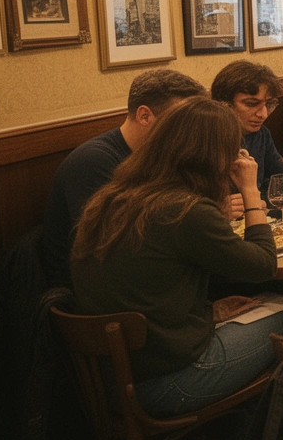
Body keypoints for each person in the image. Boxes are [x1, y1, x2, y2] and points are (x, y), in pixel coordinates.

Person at [70, 97, 283, 440]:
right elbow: (262, 264)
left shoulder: (111, 197)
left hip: (113, 380)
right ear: (212, 155)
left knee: (259, 333)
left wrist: (210, 312)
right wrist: (250, 190)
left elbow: (148, 288)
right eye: (231, 148)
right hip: (168, 381)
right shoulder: (184, 210)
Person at [37, 69, 205, 289]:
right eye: (181, 122)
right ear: (145, 116)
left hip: (146, 280)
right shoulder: (94, 161)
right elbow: (116, 250)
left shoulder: (160, 156)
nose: (190, 132)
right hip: (97, 298)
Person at [211, 61, 283, 200]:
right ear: (223, 104)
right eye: (252, 104)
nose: (263, 114)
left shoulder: (260, 134)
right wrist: (220, 208)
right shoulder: (205, 139)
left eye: (269, 104)